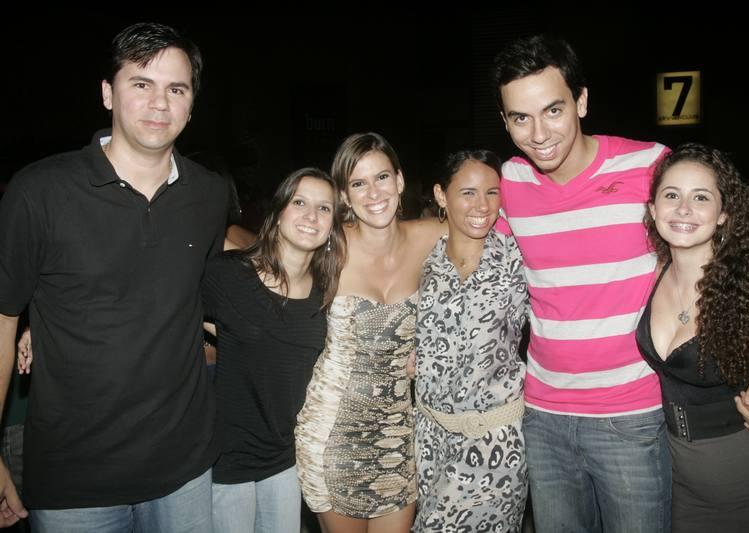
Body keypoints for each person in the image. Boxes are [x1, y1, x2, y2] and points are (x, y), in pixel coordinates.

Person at [492, 34, 749, 532]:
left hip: (633, 416)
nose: (538, 133)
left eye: (553, 110)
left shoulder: (647, 165)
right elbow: (466, 249)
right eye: (521, 118)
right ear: (505, 121)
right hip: (541, 417)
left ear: (582, 101)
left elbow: (730, 259)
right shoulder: (511, 182)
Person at [0, 22, 228, 532]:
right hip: (74, 482)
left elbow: (205, 296)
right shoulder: (39, 192)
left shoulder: (209, 195)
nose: (159, 103)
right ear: (108, 93)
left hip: (186, 470)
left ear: (192, 105)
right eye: (141, 84)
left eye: (176, 89)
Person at [638, 143, 749, 532]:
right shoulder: (649, 275)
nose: (683, 209)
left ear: (723, 213)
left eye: (701, 198)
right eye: (671, 195)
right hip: (678, 484)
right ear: (653, 209)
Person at [295, 132, 444, 533]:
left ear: (399, 180)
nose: (374, 193)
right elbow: (258, 256)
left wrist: (432, 350)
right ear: (345, 195)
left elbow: (484, 234)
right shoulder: (328, 246)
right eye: (358, 183)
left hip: (397, 433)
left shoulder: (431, 236)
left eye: (381, 178)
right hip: (333, 435)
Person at [205, 168, 346, 533]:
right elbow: (170, 313)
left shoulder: (328, 293)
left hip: (287, 458)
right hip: (228, 458)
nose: (311, 216)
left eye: (324, 208)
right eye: (299, 202)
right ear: (279, 211)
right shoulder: (229, 274)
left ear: (333, 224)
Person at [413, 150, 528, 532]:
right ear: (441, 195)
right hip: (428, 440)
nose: (482, 205)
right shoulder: (422, 260)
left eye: (492, 193)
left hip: (494, 444)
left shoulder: (516, 259)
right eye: (468, 193)